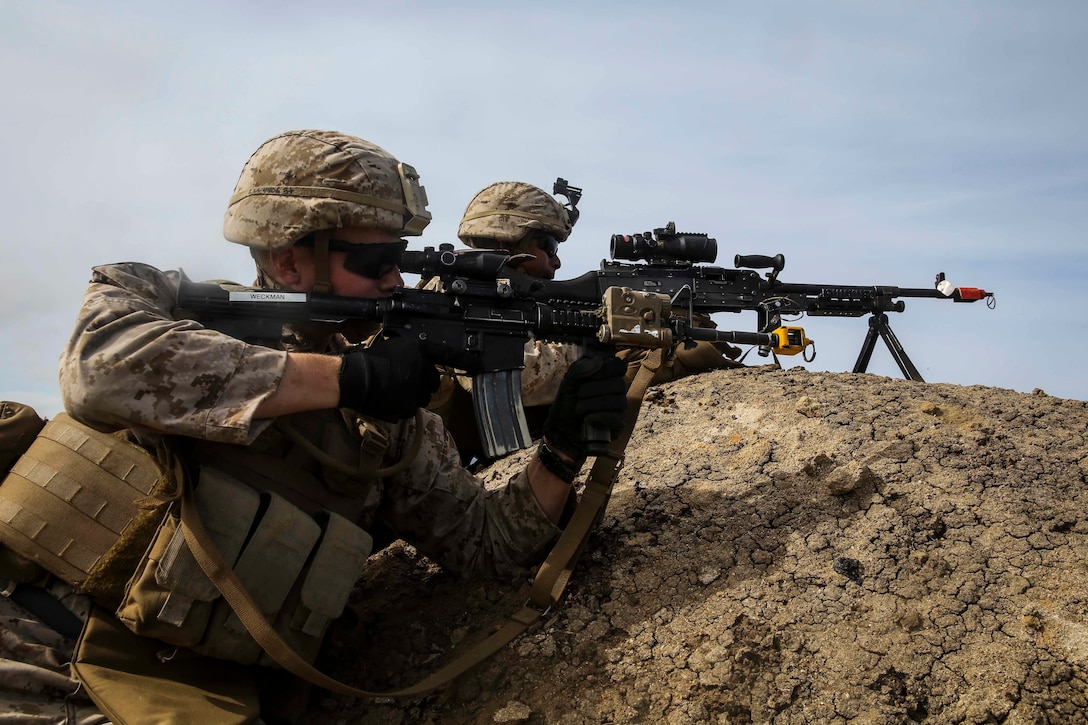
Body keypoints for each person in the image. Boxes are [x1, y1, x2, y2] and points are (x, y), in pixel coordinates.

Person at [0, 130, 627, 724]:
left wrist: (563, 448)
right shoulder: (165, 307)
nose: (397, 279)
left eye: (400, 258)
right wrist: (347, 378)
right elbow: (99, 368)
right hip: (38, 639)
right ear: (288, 259)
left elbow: (484, 544)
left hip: (194, 693)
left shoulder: (389, 425)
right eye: (380, 258)